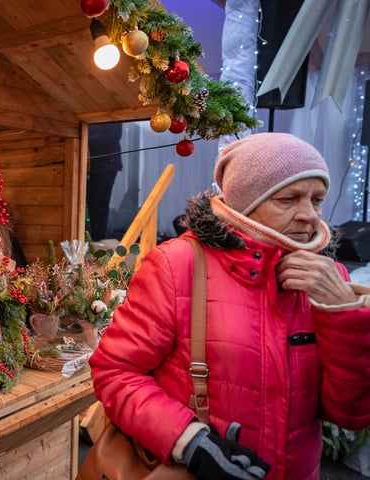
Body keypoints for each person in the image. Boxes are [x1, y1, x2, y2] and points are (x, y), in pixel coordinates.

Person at [89, 132, 370, 480]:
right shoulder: (180, 265)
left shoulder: (329, 279)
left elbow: (351, 414)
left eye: (317, 200)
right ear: (246, 202)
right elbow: (115, 372)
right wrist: (191, 443)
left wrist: (341, 311)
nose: (309, 215)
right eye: (289, 199)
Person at [86, 122, 123, 241]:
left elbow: (113, 135)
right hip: (90, 164)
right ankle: (92, 238)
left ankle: (98, 239)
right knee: (91, 203)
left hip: (106, 164)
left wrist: (85, 139)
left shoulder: (111, 112)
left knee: (99, 203)